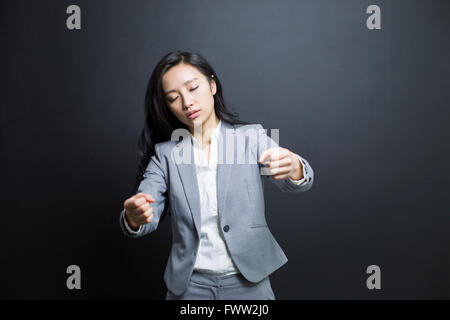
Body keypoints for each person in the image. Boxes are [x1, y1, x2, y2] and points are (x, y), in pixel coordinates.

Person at [119, 51, 314, 300]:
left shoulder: (251, 138)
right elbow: (145, 207)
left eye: (193, 88)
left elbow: (296, 180)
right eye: (173, 98)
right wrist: (134, 217)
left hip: (249, 283)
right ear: (167, 106)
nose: (187, 102)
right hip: (190, 287)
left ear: (212, 85)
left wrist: (294, 167)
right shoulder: (165, 155)